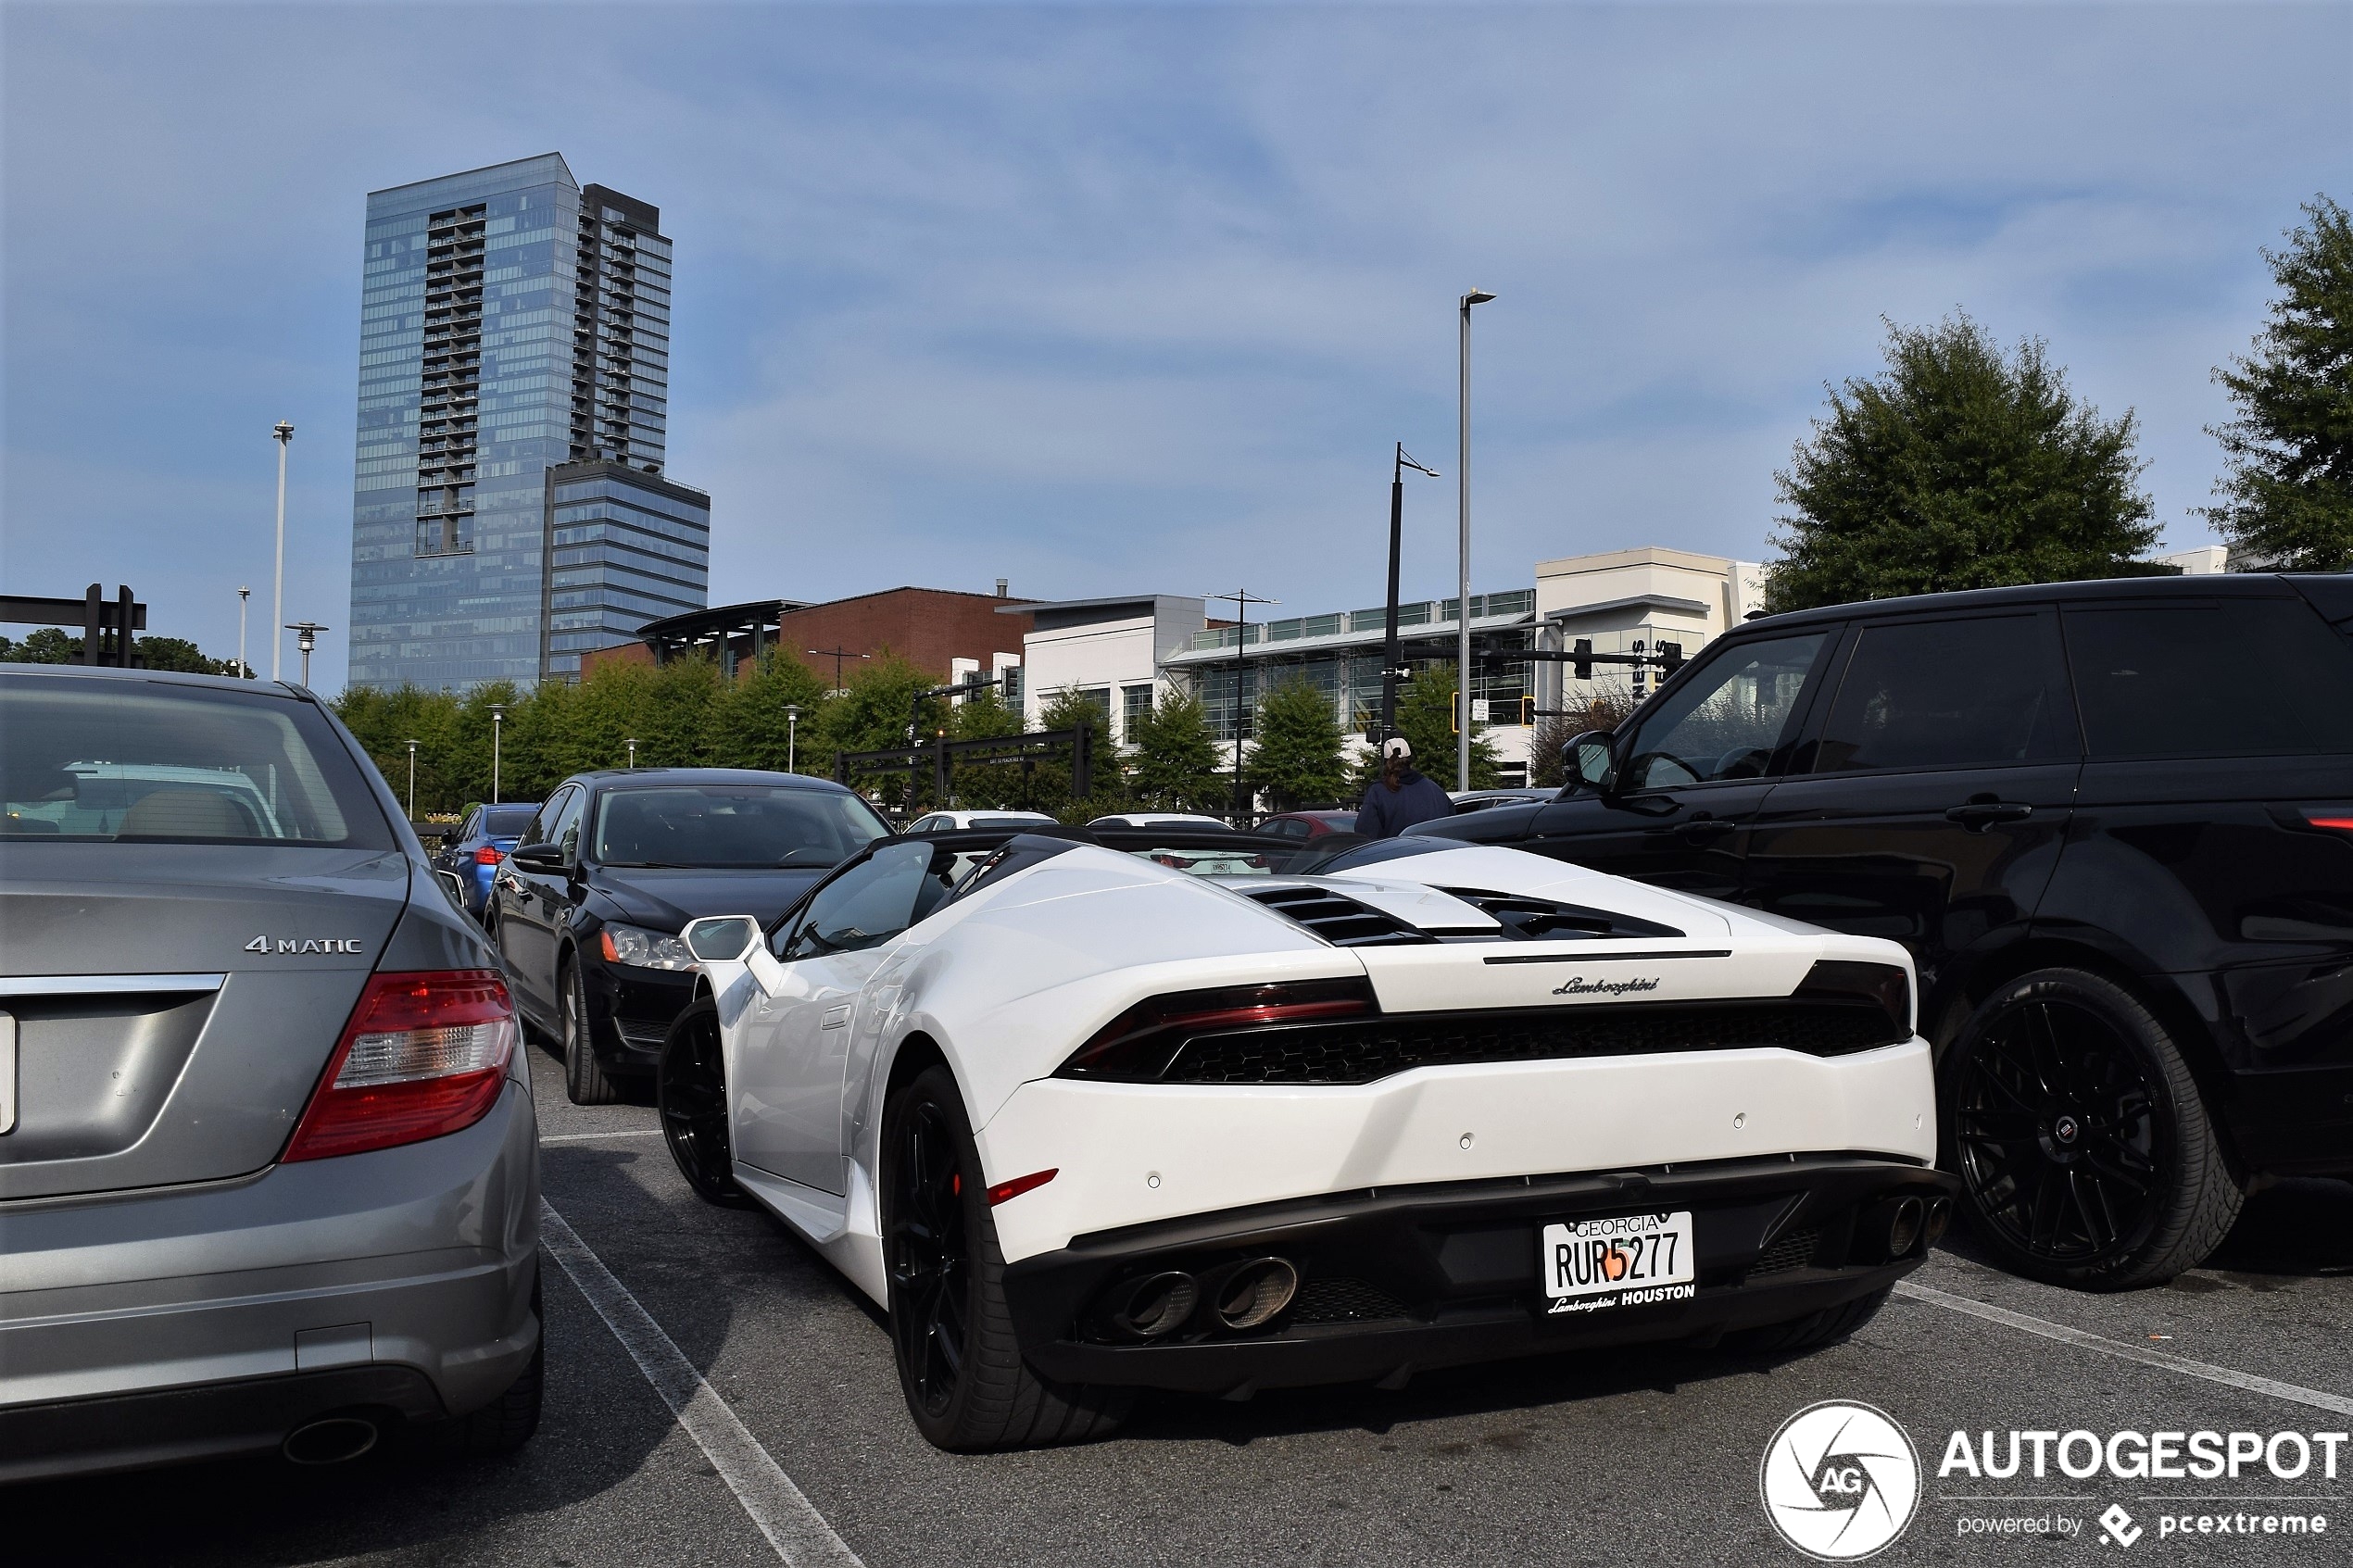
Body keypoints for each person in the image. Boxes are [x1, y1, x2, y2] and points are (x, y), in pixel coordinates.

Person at [1355, 736, 1453, 838]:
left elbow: (1364, 833)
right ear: (1410, 760)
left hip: (1394, 852)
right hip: (1436, 851)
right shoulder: (1435, 789)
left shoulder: (1378, 791)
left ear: (1385, 762)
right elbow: (1451, 825)